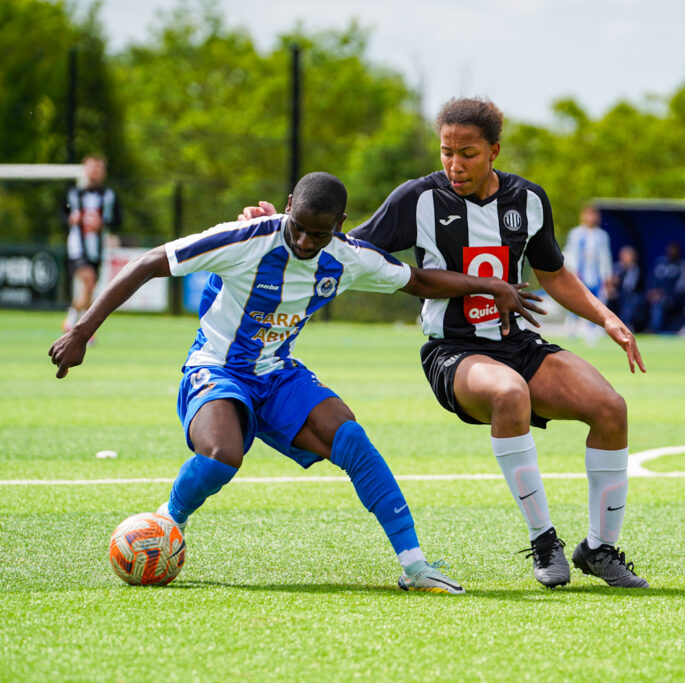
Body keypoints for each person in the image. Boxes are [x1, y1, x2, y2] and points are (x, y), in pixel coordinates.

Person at [49, 171, 543, 595]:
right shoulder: (246, 239)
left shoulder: (348, 257)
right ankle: (170, 518)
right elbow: (148, 263)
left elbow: (417, 280)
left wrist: (492, 285)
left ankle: (415, 566)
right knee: (222, 456)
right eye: (299, 228)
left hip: (278, 373)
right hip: (217, 368)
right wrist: (81, 331)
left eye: (319, 234)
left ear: (339, 226)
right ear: (287, 208)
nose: (305, 242)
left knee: (350, 437)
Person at [242, 98, 649, 589]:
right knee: (508, 393)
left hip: (518, 342)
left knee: (611, 407)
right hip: (453, 352)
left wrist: (606, 318)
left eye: (468, 153)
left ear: (494, 151)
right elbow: (346, 247)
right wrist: (276, 226)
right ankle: (545, 542)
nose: (455, 164)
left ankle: (600, 549)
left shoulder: (529, 200)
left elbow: (554, 274)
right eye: (446, 151)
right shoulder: (418, 199)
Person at [63, 154, 121, 334]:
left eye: (98, 167)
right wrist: (71, 219)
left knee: (89, 288)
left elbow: (118, 220)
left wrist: (102, 224)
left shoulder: (110, 195)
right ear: (85, 170)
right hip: (77, 247)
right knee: (88, 281)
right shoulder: (73, 193)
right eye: (91, 167)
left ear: (103, 172)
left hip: (96, 248)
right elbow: (61, 214)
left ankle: (74, 322)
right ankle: (79, 327)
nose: (94, 171)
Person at [563, 204, 613, 340]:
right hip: (578, 273)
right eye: (588, 214)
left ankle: (591, 330)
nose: (591, 217)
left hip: (595, 275)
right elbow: (569, 253)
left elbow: (605, 258)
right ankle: (571, 327)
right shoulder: (576, 233)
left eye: (593, 214)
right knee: (574, 300)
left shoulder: (602, 236)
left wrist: (607, 276)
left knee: (595, 301)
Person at [646, 242, 685, 334]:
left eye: (674, 250)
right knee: (637, 299)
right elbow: (651, 279)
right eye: (670, 249)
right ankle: (630, 325)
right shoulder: (660, 262)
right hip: (655, 294)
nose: (671, 252)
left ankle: (654, 328)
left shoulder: (683, 265)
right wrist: (652, 291)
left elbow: (683, 285)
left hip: (674, 297)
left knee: (659, 301)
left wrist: (665, 293)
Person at [607, 245, 647, 333]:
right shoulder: (616, 266)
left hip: (630, 294)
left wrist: (618, 282)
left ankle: (625, 324)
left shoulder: (634, 268)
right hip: (616, 294)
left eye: (627, 255)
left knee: (629, 300)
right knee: (607, 297)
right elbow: (609, 280)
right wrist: (611, 287)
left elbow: (629, 286)